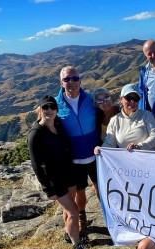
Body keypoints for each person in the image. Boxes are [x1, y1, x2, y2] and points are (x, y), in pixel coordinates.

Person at [28, 96, 93, 249]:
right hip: (55, 180)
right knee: (73, 211)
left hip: (69, 173)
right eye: (45, 107)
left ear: (57, 110)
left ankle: (68, 233)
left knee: (69, 208)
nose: (49, 110)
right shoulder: (36, 133)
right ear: (40, 110)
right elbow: (36, 165)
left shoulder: (58, 126)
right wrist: (47, 189)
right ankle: (77, 247)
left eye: (52, 107)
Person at [54, 66, 99, 238]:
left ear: (80, 80)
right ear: (61, 82)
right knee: (79, 193)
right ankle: (80, 218)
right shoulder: (56, 105)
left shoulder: (91, 100)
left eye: (74, 78)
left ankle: (112, 219)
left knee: (101, 189)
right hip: (74, 160)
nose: (71, 82)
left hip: (96, 155)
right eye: (67, 79)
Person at [94, 84, 155, 153]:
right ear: (121, 99)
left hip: (148, 160)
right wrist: (101, 149)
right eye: (128, 98)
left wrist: (139, 146)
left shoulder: (147, 115)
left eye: (136, 98)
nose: (132, 101)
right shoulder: (115, 120)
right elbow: (110, 143)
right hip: (127, 162)